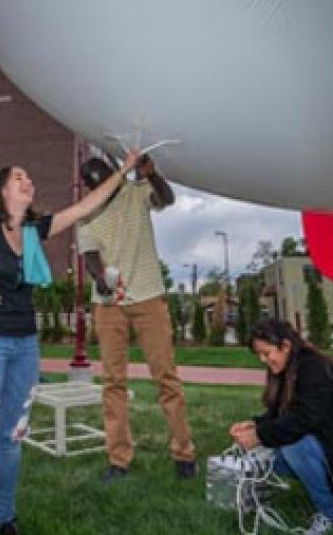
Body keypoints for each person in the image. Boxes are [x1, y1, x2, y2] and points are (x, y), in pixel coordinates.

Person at [0, 149, 141, 535]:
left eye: (29, 177)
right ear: (2, 189)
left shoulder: (37, 230)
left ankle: (4, 520)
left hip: (24, 345)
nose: (28, 181)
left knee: (12, 436)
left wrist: (124, 169)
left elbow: (87, 204)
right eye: (19, 177)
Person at [76, 154, 195, 482]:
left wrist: (152, 174)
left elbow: (166, 199)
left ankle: (184, 452)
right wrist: (100, 280)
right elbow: (88, 255)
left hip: (148, 296)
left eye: (106, 178)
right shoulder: (86, 213)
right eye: (95, 182)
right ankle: (118, 459)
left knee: (166, 378)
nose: (103, 186)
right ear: (89, 186)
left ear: (116, 174)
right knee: (113, 382)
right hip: (109, 305)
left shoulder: (135, 191)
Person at [229, 318, 333, 534]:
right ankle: (324, 489)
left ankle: (330, 514)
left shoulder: (314, 368)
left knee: (292, 446)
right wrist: (255, 425)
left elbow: (302, 419)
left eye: (266, 353)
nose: (263, 360)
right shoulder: (288, 367)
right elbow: (283, 414)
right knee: (269, 453)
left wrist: (259, 436)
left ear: (285, 346)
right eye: (259, 355)